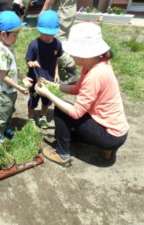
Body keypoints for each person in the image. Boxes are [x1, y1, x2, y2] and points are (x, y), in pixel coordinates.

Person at [35, 22, 129, 167]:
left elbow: (76, 113)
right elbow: (77, 88)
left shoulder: (95, 74)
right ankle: (107, 151)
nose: (71, 55)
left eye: (73, 52)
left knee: (61, 110)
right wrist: (52, 85)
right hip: (118, 130)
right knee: (69, 116)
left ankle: (62, 155)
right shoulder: (97, 63)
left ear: (84, 54)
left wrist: (47, 94)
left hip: (110, 135)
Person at [0, 11, 33, 144]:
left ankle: (6, 129)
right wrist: (20, 88)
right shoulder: (2, 53)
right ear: (3, 34)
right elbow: (3, 77)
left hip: (9, 91)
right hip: (2, 93)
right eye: (14, 35)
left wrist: (22, 78)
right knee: (1, 116)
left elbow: (12, 70)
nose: (17, 38)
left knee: (8, 113)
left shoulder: (8, 47)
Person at [25, 10, 62, 129]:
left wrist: (56, 73)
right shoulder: (34, 45)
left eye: (50, 34)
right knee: (33, 100)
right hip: (35, 79)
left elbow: (57, 59)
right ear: (39, 30)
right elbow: (28, 61)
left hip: (49, 79)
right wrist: (32, 63)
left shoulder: (57, 44)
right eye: (44, 34)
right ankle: (30, 118)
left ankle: (43, 116)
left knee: (46, 101)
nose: (46, 37)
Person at [40, 0, 79, 85]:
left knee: (56, 42)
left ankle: (72, 71)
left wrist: (44, 10)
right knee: (63, 39)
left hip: (63, 9)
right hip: (69, 8)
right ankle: (60, 72)